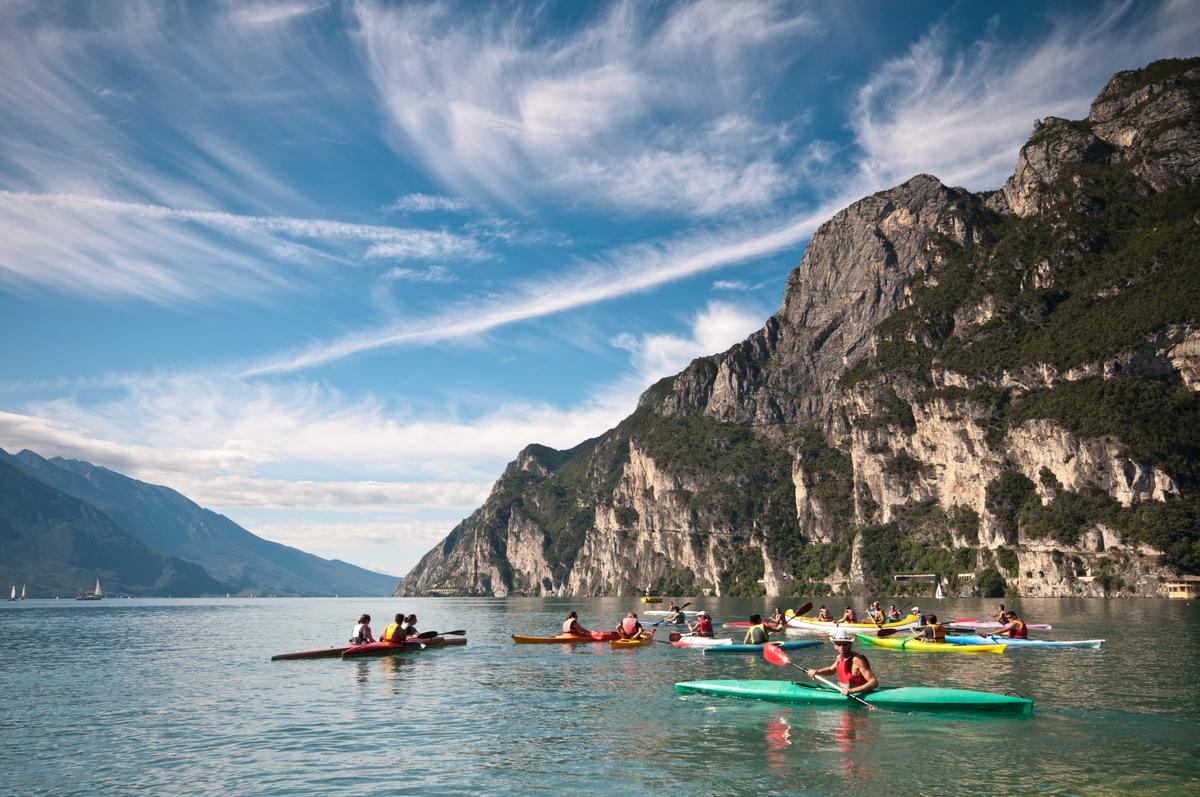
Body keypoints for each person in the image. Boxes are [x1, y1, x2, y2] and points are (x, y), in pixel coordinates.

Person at [806, 629, 879, 697]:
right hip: (844, 692)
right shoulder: (839, 657)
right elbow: (831, 670)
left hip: (858, 694)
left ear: (850, 645)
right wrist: (817, 672)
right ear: (835, 646)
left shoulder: (858, 659)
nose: (842, 647)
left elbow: (874, 683)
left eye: (845, 644)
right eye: (838, 644)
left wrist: (851, 690)